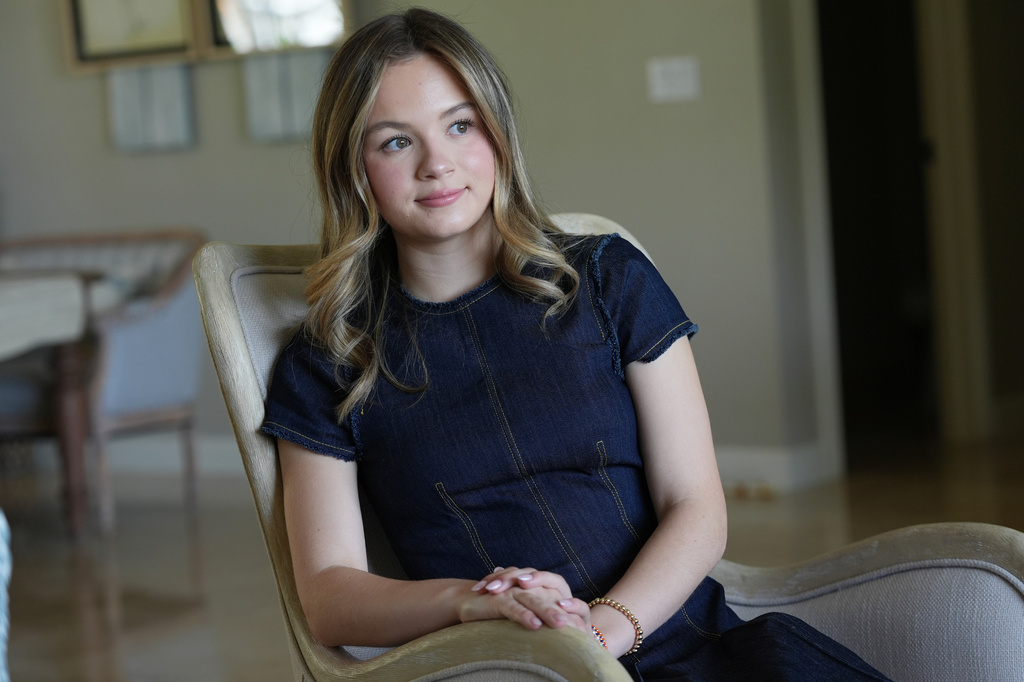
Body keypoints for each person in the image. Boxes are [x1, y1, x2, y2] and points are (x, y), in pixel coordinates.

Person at [262, 9, 890, 681]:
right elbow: (328, 595)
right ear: (352, 167)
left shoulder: (608, 278)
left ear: (497, 134)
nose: (436, 163)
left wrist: (603, 632)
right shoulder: (329, 358)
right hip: (513, 666)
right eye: (394, 142)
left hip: (689, 644)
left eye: (460, 125)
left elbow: (698, 508)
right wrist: (471, 603)